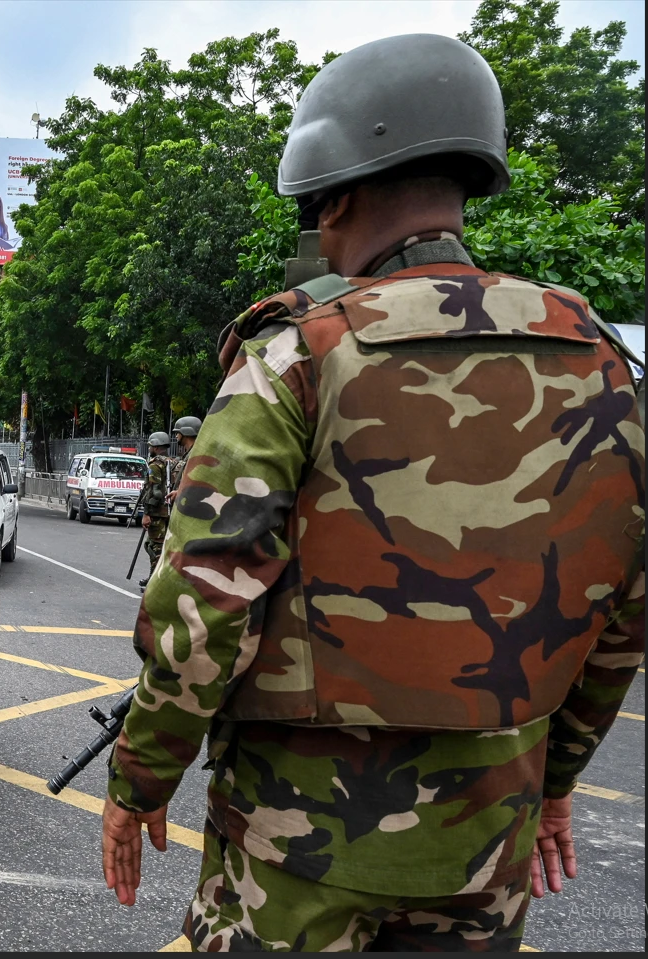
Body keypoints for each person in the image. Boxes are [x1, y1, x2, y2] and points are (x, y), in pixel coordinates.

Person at [100, 33, 644, 952]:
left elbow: (202, 605)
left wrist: (138, 783)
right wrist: (552, 785)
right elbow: (623, 613)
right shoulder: (602, 365)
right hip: (485, 845)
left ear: (336, 196)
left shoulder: (298, 354)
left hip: (293, 848)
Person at [137, 431, 173, 591]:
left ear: (157, 446)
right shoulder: (172, 462)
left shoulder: (155, 465)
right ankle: (154, 576)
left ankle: (155, 582)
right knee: (158, 546)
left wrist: (147, 513)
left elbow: (154, 492)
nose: (149, 448)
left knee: (155, 547)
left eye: (151, 445)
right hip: (171, 511)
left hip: (157, 513)